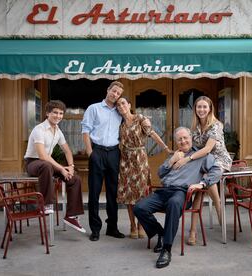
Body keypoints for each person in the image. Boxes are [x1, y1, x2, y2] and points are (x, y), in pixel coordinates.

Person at [133, 127, 222, 268]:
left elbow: (217, 170)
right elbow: (160, 173)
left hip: (181, 193)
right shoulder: (175, 154)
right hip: (164, 191)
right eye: (179, 139)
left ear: (191, 138)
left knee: (174, 203)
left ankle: (166, 249)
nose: (183, 141)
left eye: (185, 137)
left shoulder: (200, 155)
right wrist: (171, 161)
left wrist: (202, 184)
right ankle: (160, 233)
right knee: (139, 208)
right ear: (176, 142)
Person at [172, 95, 232, 245]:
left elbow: (207, 149)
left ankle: (196, 228)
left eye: (205, 106)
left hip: (218, 161)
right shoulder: (195, 127)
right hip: (202, 162)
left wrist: (187, 159)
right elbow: (190, 146)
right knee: (197, 188)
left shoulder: (216, 125)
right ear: (195, 109)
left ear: (210, 108)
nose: (202, 109)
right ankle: (196, 228)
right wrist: (177, 156)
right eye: (199, 107)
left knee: (203, 180)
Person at [24, 100, 86, 233]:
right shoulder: (39, 129)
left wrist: (70, 167)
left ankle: (71, 216)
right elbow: (42, 156)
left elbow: (67, 151)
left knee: (74, 178)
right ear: (47, 113)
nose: (58, 116)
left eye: (61, 113)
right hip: (33, 163)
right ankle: (46, 204)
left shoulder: (58, 131)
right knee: (46, 166)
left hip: (47, 165)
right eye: (55, 113)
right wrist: (62, 169)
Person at [116, 97, 172, 239]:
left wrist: (166, 149)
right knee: (129, 195)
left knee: (141, 192)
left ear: (129, 105)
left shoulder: (140, 118)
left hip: (140, 159)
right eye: (118, 104)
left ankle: (141, 224)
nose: (121, 106)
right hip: (125, 161)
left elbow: (152, 134)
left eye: (123, 103)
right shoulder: (120, 124)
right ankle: (132, 226)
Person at [81, 81, 125, 241]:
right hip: (97, 152)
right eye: (114, 91)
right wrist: (90, 153)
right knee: (94, 192)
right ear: (108, 90)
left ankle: (112, 227)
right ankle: (95, 229)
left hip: (114, 153)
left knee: (113, 193)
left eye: (118, 93)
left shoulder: (120, 111)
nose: (115, 95)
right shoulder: (94, 108)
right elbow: (85, 130)